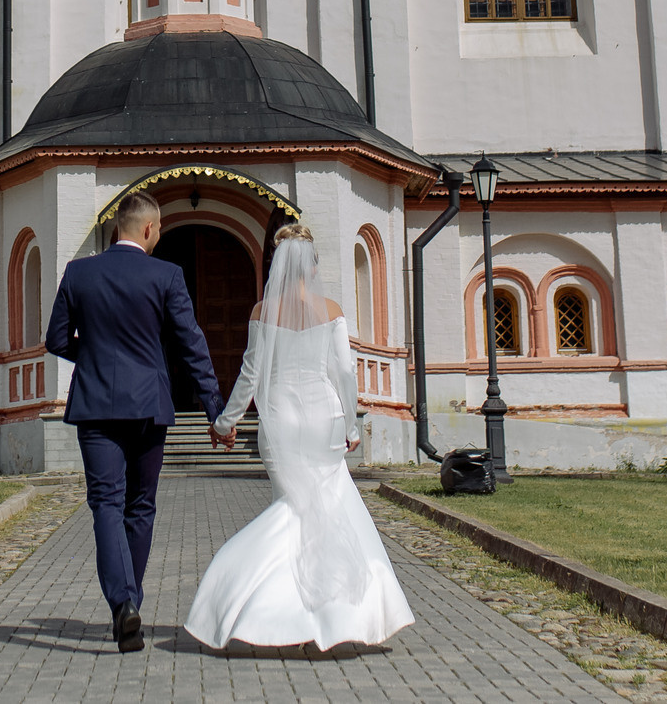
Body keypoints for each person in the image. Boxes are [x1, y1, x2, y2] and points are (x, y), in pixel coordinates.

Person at [184, 223, 414, 654]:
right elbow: (343, 373)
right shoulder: (330, 309)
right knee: (327, 509)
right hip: (324, 417)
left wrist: (225, 421)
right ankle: (333, 614)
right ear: (312, 266)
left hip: (283, 420)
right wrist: (350, 425)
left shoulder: (261, 312)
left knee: (291, 509)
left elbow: (251, 374)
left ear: (278, 266)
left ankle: (256, 598)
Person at [45, 191, 223, 653]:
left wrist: (97, 358)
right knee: (140, 506)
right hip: (148, 404)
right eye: (160, 228)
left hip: (96, 403)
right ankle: (130, 602)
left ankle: (124, 604)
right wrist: (214, 409)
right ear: (147, 228)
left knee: (105, 502)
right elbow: (192, 344)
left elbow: (57, 338)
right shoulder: (166, 275)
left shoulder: (78, 272)